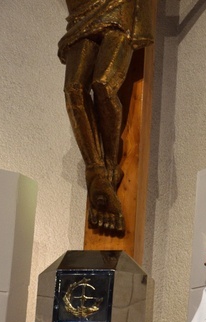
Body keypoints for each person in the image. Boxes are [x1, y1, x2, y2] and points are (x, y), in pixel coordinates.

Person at [58, 0, 154, 232]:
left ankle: (110, 164)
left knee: (103, 85)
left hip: (118, 8)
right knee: (73, 89)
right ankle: (96, 170)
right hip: (81, 13)